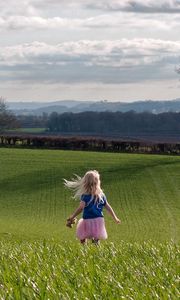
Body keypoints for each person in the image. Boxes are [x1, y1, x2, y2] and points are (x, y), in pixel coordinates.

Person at [64, 170, 121, 245]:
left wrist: (72, 216)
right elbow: (107, 206)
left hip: (87, 220)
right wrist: (115, 218)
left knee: (83, 236)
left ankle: (84, 250)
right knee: (96, 239)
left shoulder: (85, 196)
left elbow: (81, 208)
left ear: (85, 183)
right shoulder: (101, 195)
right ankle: (97, 250)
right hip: (99, 220)